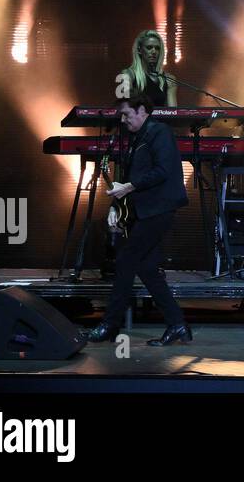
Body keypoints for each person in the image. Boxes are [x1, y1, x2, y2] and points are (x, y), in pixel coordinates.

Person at [84, 92, 192, 346]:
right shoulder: (136, 138)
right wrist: (115, 205)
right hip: (147, 210)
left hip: (160, 209)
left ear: (142, 110)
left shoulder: (159, 132)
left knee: (125, 260)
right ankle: (177, 324)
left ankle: (110, 324)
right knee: (146, 269)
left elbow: (163, 171)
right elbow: (127, 178)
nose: (123, 120)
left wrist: (130, 187)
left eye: (126, 114)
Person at [121, 29, 177, 107]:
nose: (154, 51)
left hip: (160, 119)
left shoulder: (169, 80)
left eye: (157, 48)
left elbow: (173, 113)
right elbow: (125, 109)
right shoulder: (127, 75)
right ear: (139, 50)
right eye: (149, 47)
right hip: (137, 119)